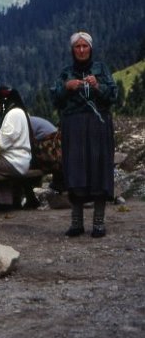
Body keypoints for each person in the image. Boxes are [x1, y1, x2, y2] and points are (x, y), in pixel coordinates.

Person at [51, 31, 117, 238]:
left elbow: (113, 95)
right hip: (74, 126)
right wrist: (66, 87)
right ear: (72, 50)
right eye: (77, 47)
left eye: (84, 46)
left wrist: (97, 85)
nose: (81, 50)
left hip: (98, 125)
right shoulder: (66, 72)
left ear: (90, 48)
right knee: (76, 169)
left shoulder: (101, 69)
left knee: (99, 168)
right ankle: (76, 222)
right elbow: (55, 99)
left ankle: (98, 223)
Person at [0, 86, 40, 209]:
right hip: (21, 160)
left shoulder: (13, 114)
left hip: (14, 162)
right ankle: (5, 200)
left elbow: (1, 143)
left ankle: (0, 202)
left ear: (3, 100)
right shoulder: (20, 111)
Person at [29, 116, 65, 192]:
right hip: (57, 148)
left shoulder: (26, 123)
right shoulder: (32, 120)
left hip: (51, 147)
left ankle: (31, 191)